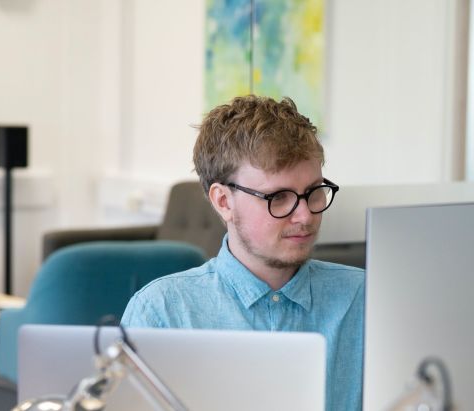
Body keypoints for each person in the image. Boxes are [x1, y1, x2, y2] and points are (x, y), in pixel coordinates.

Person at [121, 95, 364, 411]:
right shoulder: (162, 313)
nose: (305, 216)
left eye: (314, 192)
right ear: (223, 201)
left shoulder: (367, 300)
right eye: (279, 197)